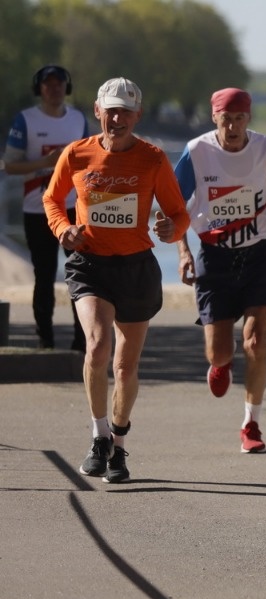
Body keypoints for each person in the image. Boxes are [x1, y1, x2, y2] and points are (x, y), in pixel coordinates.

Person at [43, 77, 191, 483]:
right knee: (96, 346)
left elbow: (179, 213)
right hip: (89, 264)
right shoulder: (76, 154)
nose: (117, 118)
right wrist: (63, 229)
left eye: (125, 111)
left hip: (135, 268)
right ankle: (98, 436)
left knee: (125, 367)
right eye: (111, 111)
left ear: (137, 115)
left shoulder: (153, 159)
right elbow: (52, 199)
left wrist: (172, 231)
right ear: (97, 111)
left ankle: (119, 445)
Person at [173, 88, 266, 453]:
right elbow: (173, 208)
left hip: (260, 255)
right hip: (215, 257)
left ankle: (251, 423)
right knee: (219, 352)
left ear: (248, 119)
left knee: (255, 341)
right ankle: (220, 364)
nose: (232, 127)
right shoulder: (197, 152)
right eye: (225, 119)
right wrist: (184, 253)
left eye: (239, 119)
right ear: (214, 118)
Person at [3, 65, 89, 350]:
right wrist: (46, 162)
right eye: (48, 84)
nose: (54, 89)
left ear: (67, 87)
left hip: (74, 209)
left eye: (59, 83)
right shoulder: (25, 120)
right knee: (44, 275)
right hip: (37, 209)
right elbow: (10, 166)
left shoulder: (77, 119)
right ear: (38, 89)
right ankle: (45, 341)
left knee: (80, 274)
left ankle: (81, 340)